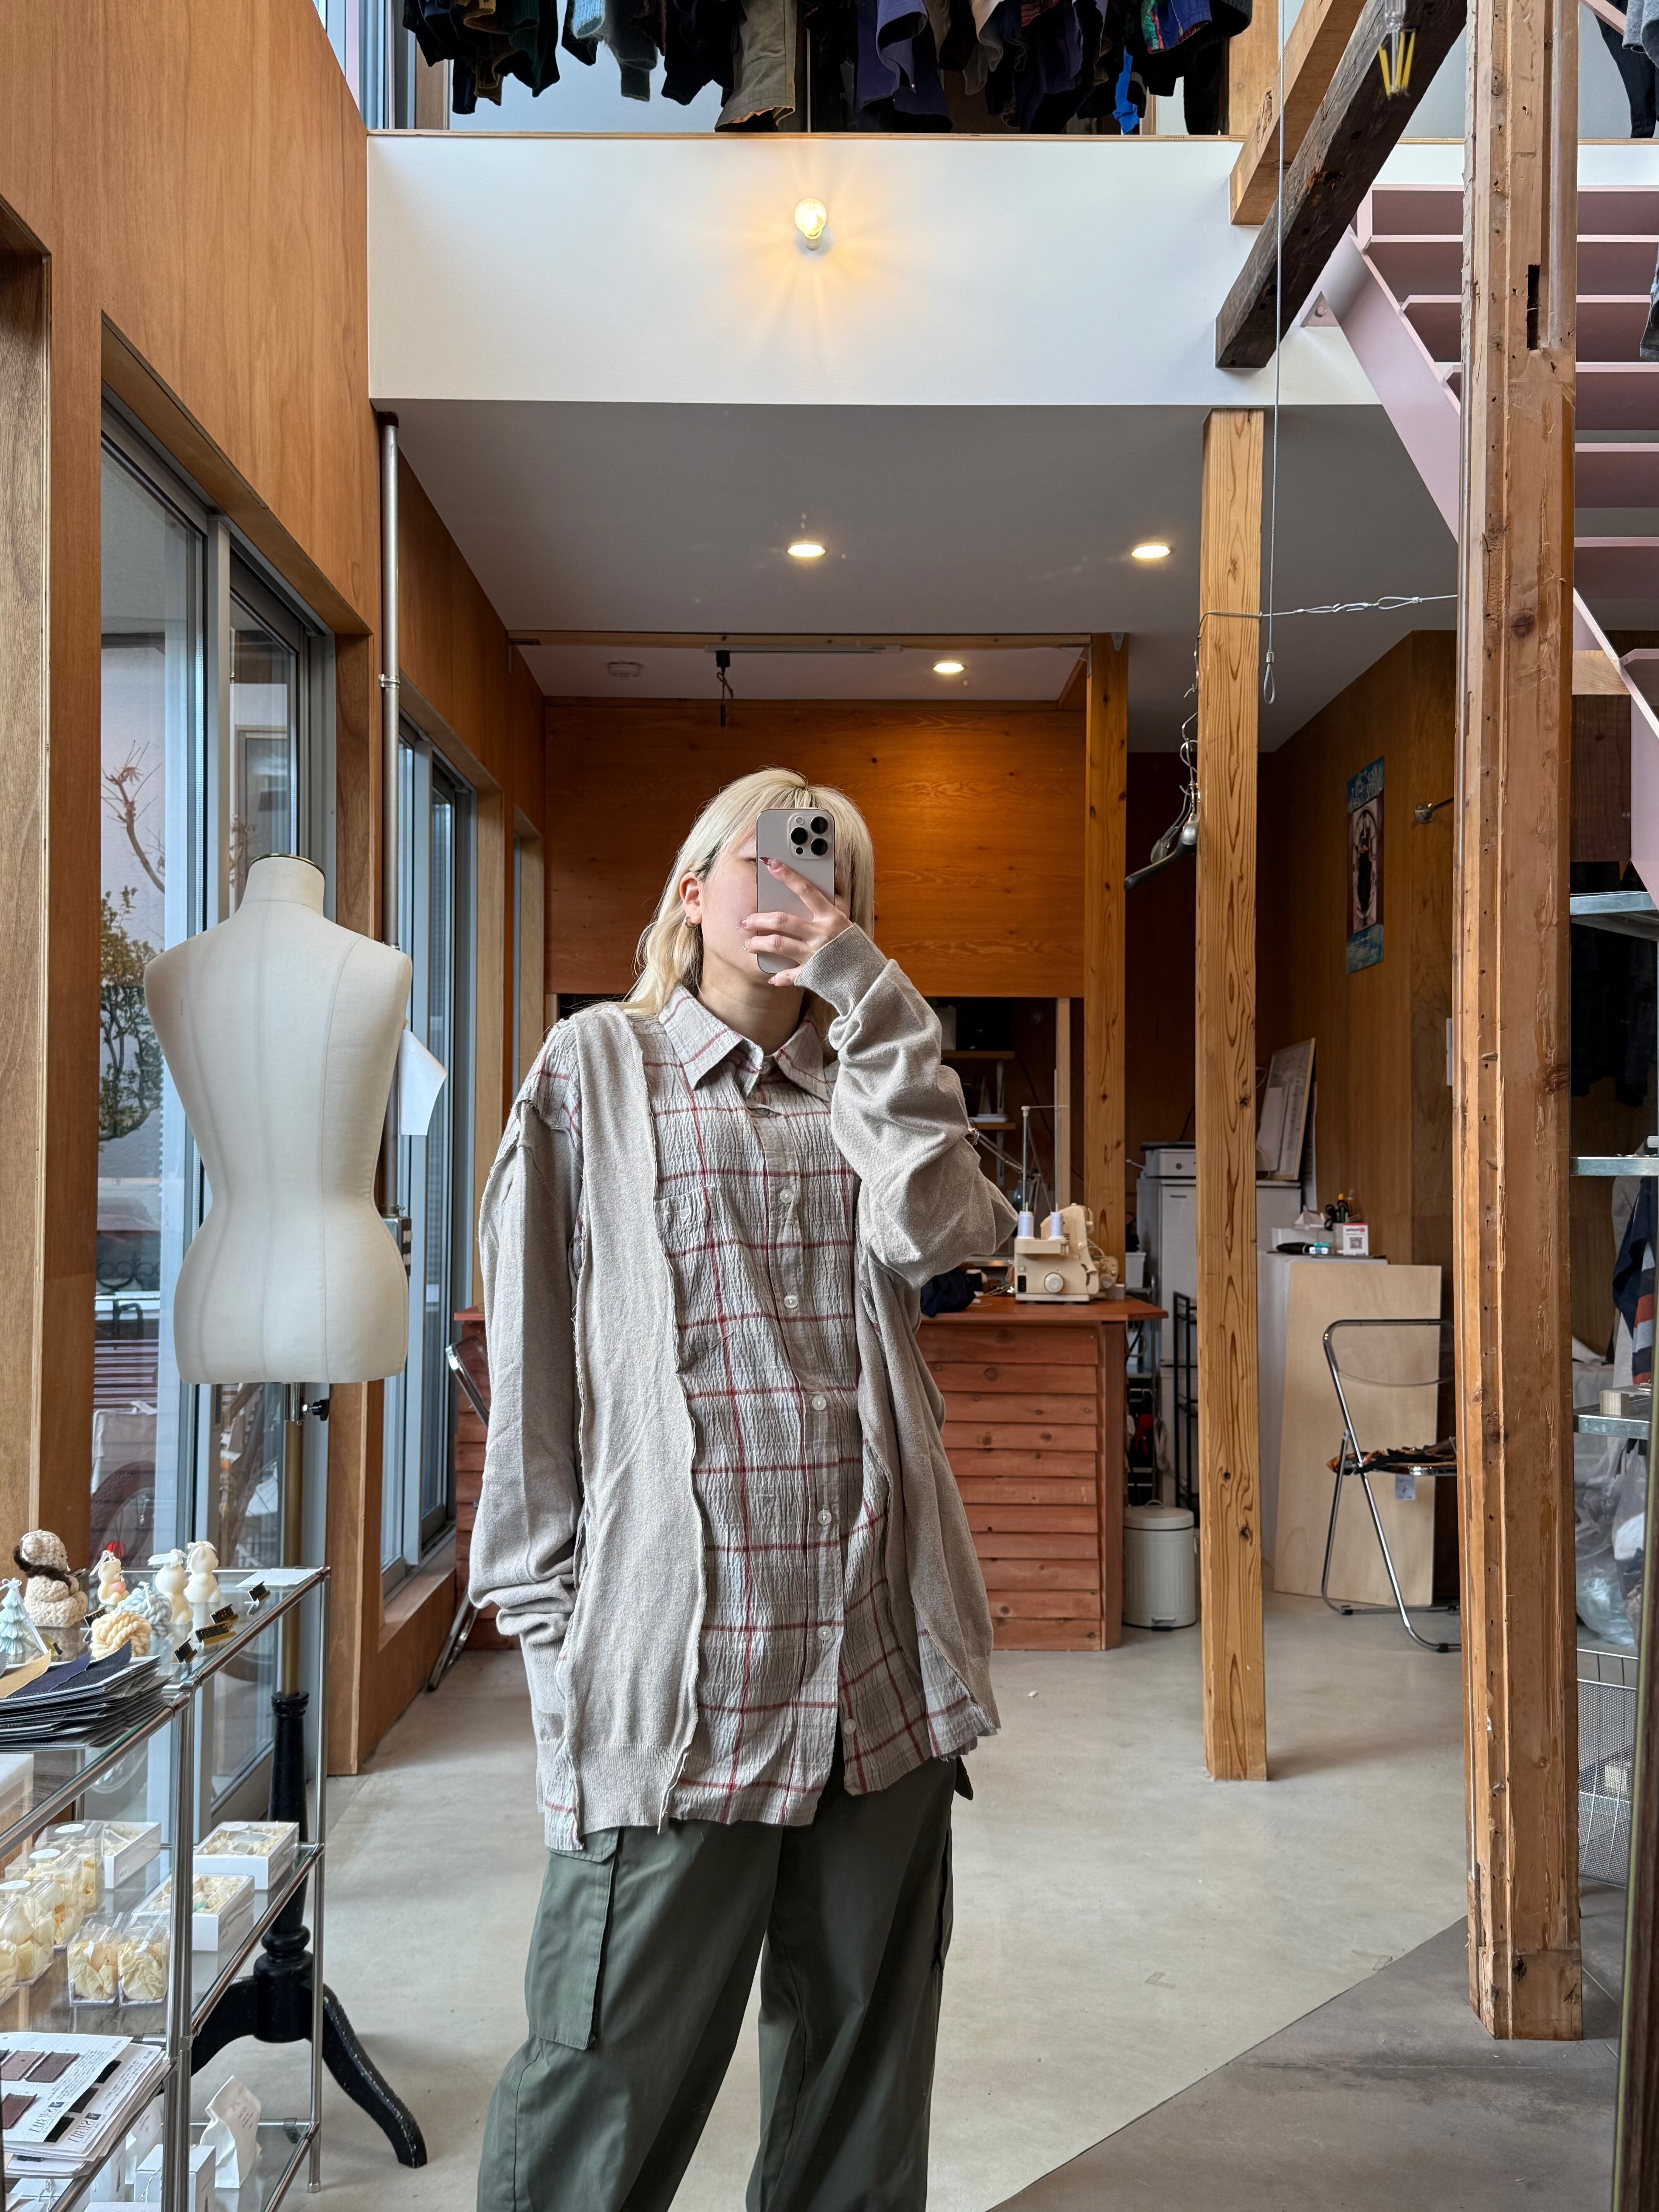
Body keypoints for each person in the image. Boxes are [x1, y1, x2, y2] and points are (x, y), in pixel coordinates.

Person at [470, 768, 1015, 2212]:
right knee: (599, 2082)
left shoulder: (870, 1092)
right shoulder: (596, 1068)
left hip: (874, 1664)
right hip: (680, 1671)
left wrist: (869, 995)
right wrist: (547, 1630)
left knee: (859, 2088)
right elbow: (531, 1371)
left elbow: (948, 1238)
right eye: (759, 860)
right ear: (692, 888)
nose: (789, 891)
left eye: (824, 874)